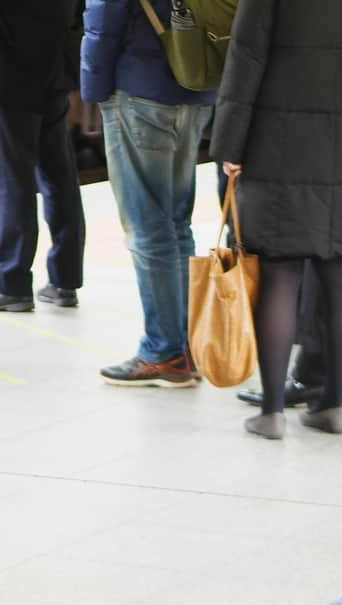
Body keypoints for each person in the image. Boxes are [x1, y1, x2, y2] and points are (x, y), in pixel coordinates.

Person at [212, 0, 342, 439]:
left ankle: (272, 412)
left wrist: (228, 143)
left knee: (280, 270)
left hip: (278, 138)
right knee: (340, 268)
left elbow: (247, 54)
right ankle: (333, 406)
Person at [81, 0, 215, 386]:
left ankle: (163, 351)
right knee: (176, 224)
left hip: (141, 88)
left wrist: (94, 89)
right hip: (194, 84)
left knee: (148, 227)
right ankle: (184, 346)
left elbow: (103, 15)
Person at [0, 0, 86, 312]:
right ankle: (65, 279)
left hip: (12, 69)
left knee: (11, 179)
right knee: (59, 175)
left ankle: (12, 282)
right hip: (57, 65)